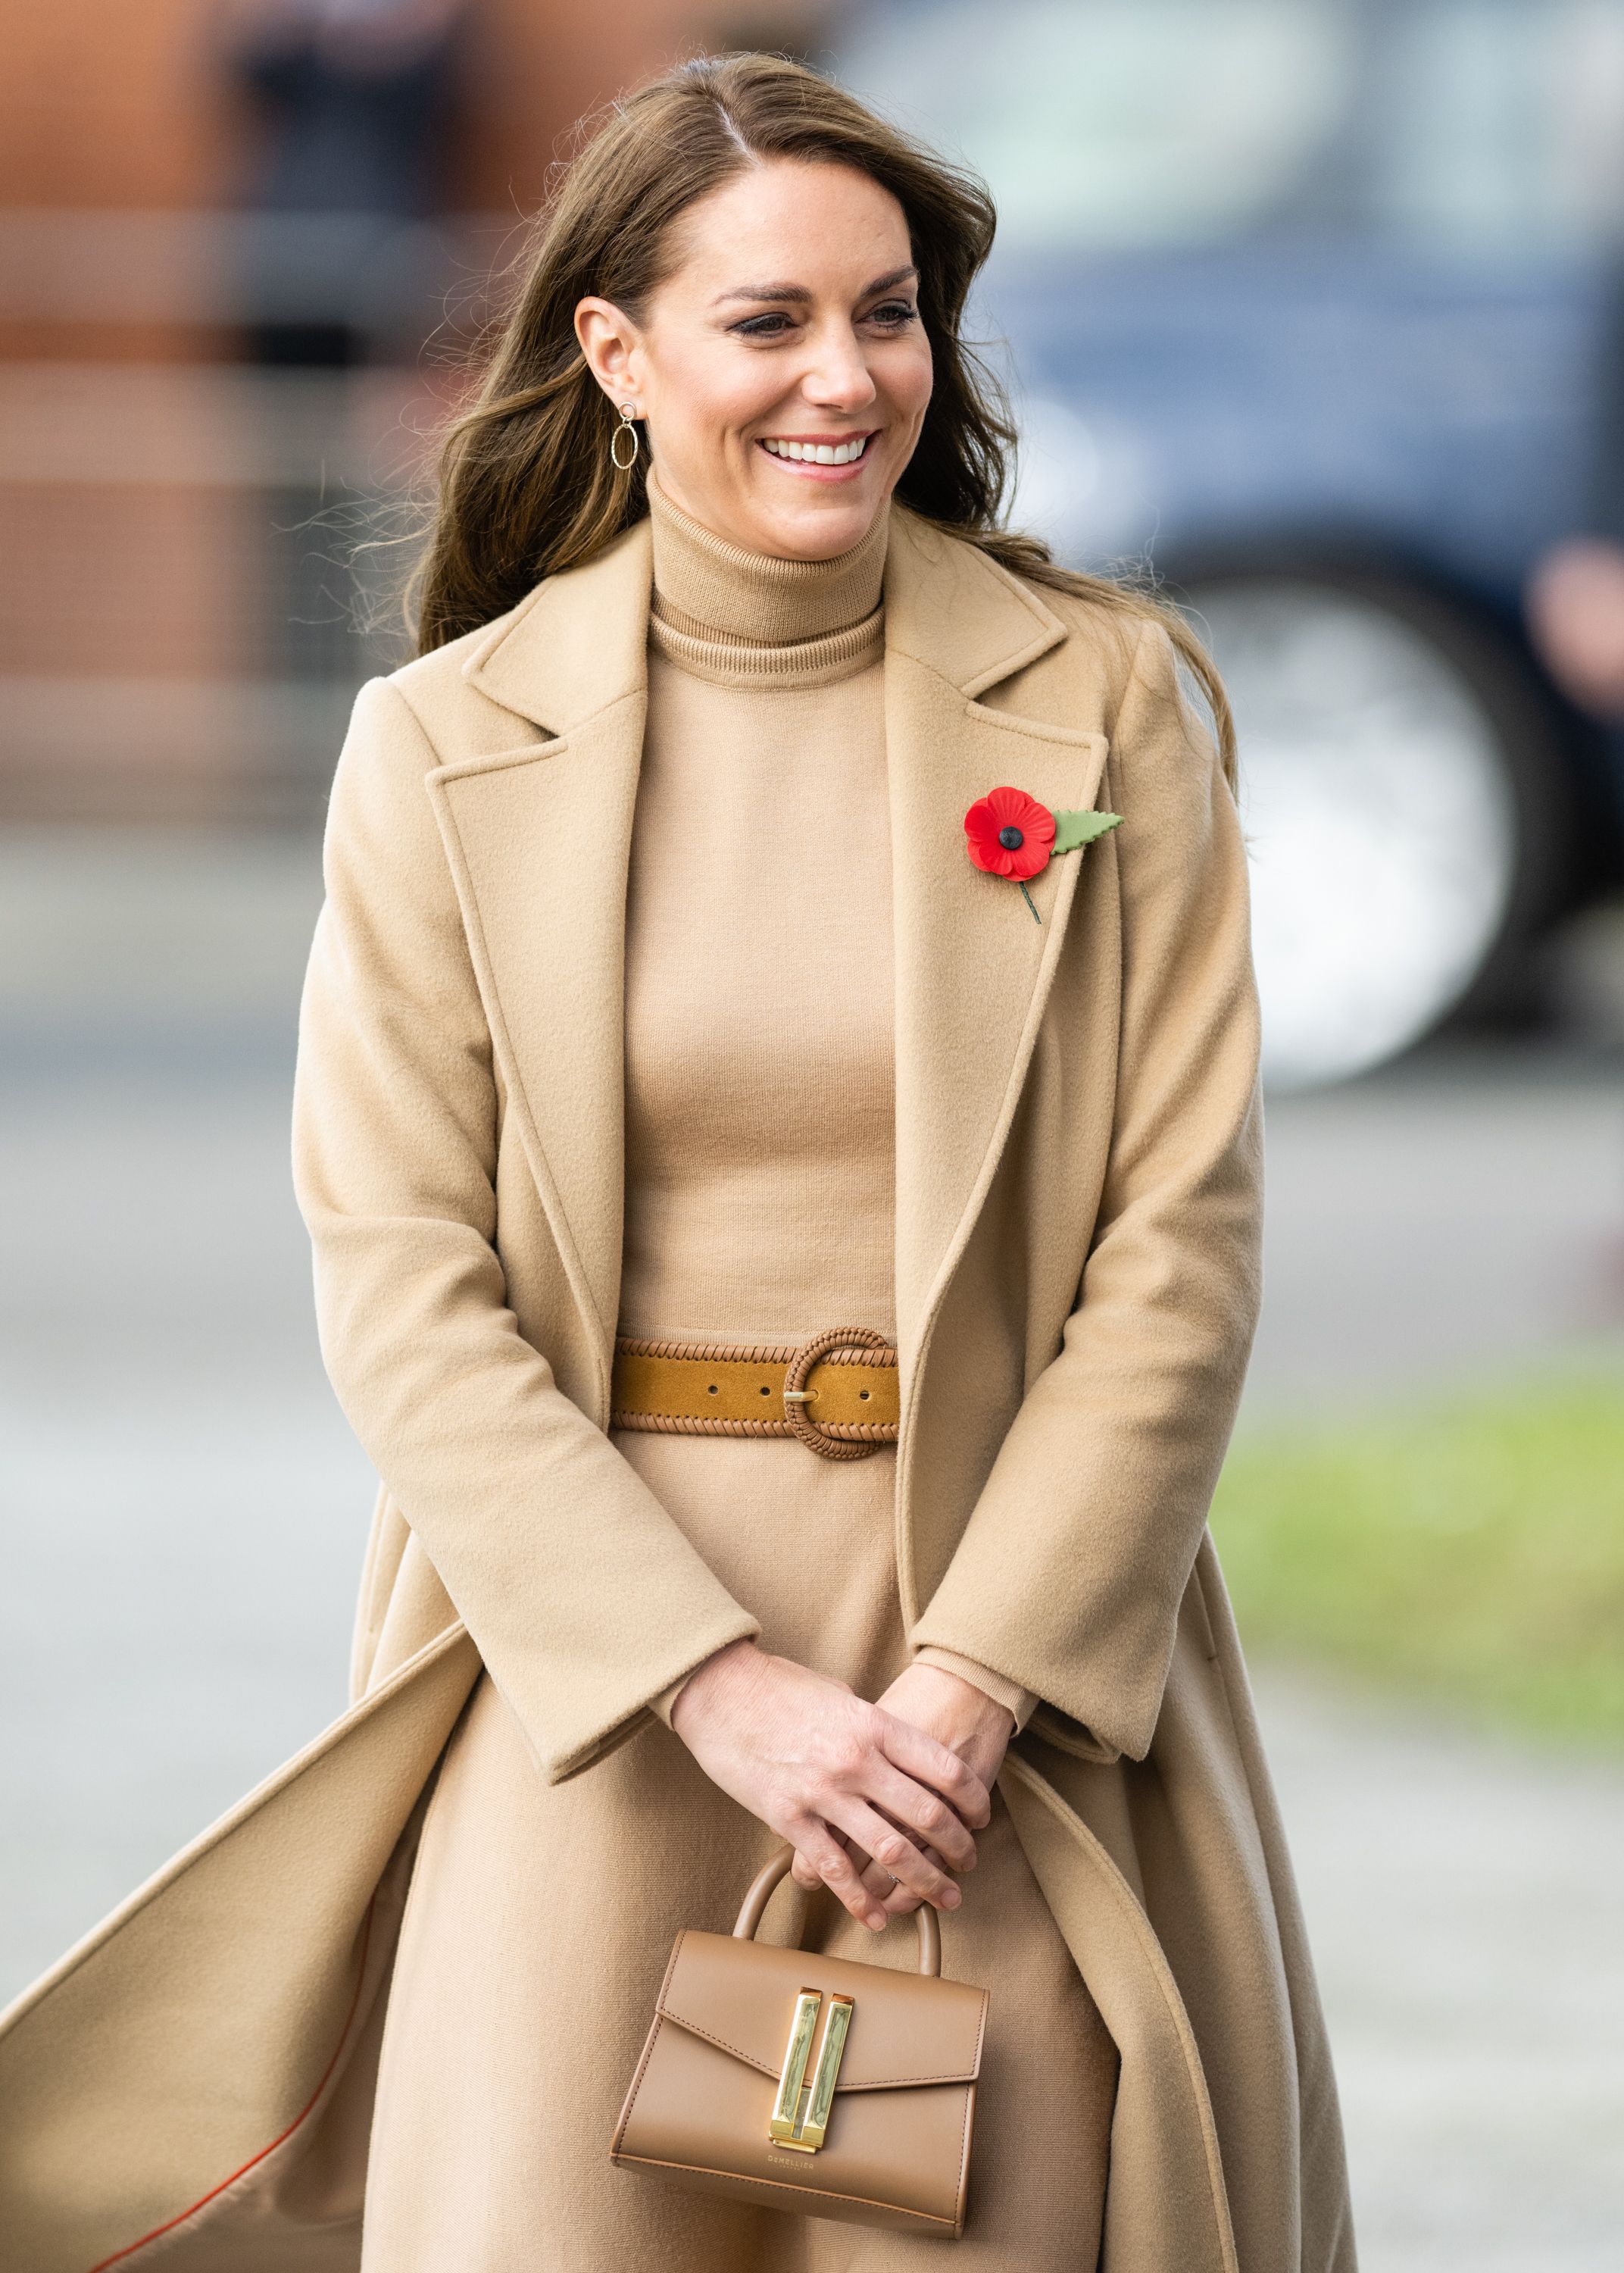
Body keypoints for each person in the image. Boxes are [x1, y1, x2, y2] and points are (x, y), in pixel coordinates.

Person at [0, 54, 1354, 2273]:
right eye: (770, 321)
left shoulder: (1109, 707)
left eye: (890, 313)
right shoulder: (440, 747)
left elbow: (1177, 1256)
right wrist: (716, 1690)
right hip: (599, 1698)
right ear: (617, 355)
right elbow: (402, 1279)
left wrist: (965, 1692)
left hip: (993, 1703)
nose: (848, 377)